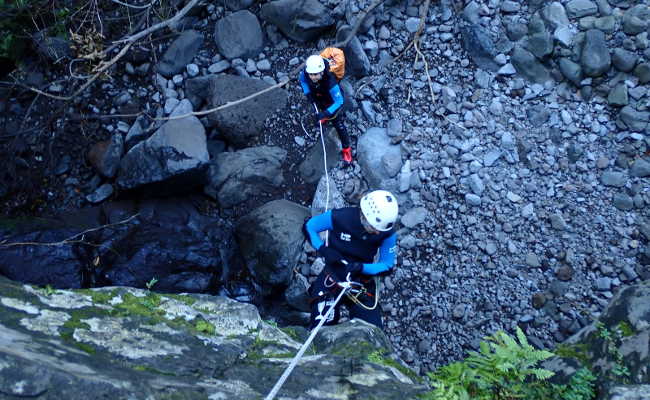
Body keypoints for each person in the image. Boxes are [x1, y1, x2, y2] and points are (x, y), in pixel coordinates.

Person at [302, 190, 399, 330]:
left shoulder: (386, 234)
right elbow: (309, 226)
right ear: (364, 216)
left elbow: (387, 265)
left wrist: (362, 268)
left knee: (372, 331)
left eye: (379, 230)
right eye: (373, 227)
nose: (377, 232)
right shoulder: (341, 217)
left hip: (360, 281)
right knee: (321, 328)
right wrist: (324, 250)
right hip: (332, 275)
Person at [299, 54, 353, 163]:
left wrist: (327, 113)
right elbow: (303, 80)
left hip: (332, 102)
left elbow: (339, 101)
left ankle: (346, 148)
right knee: (321, 108)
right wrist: (308, 93)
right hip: (320, 97)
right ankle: (324, 117)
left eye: (315, 75)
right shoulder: (305, 73)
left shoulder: (330, 82)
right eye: (311, 74)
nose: (313, 77)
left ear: (322, 72)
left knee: (339, 126)